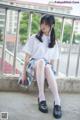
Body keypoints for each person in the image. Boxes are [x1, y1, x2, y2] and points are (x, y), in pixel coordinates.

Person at [18, 14, 62, 119]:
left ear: (52, 25)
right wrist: (23, 74)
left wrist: (51, 74)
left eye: (46, 24)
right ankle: (41, 96)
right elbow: (27, 58)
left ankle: (57, 101)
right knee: (42, 62)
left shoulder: (54, 42)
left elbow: (51, 63)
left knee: (46, 66)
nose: (43, 26)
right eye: (42, 23)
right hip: (33, 65)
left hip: (45, 67)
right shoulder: (34, 38)